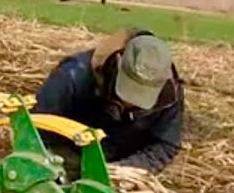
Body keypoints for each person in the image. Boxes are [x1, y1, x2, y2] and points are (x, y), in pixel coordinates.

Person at [34, 28, 185, 176]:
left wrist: (123, 170)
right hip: (67, 161)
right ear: (116, 65)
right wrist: (80, 169)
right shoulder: (73, 76)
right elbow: (38, 130)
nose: (129, 102)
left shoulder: (170, 95)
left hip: (124, 170)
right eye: (127, 89)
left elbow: (165, 145)